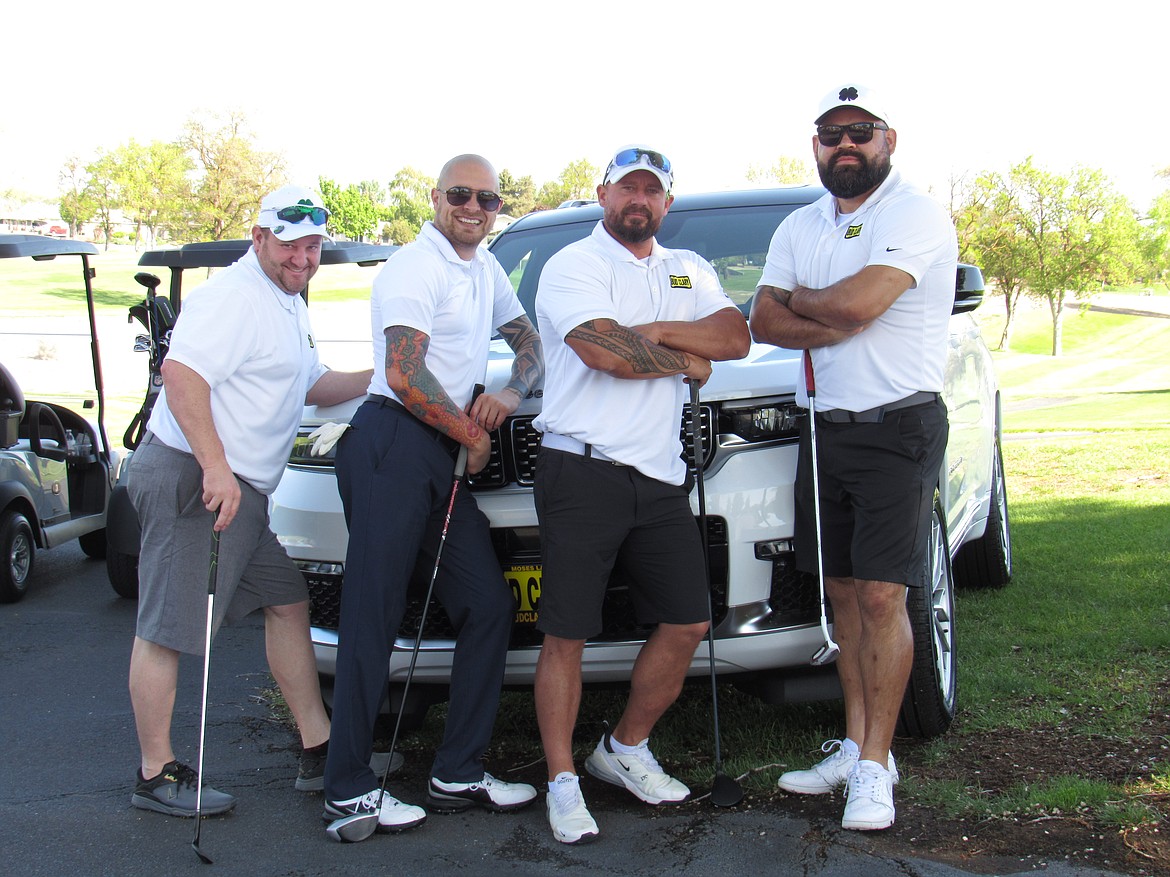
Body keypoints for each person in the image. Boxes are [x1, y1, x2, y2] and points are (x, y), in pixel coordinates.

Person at [748, 84, 959, 831]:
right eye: (831, 133)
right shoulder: (801, 223)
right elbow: (761, 316)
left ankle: (875, 767)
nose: (845, 144)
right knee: (841, 597)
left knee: (880, 596)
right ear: (816, 146)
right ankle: (860, 743)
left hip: (897, 427)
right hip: (822, 428)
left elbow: (857, 308)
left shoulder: (914, 214)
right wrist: (824, 307)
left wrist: (811, 304)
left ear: (888, 139)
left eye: (859, 131)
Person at [127, 185, 376, 818]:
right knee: (169, 627)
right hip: (199, 480)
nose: (303, 257)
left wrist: (388, 380)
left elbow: (314, 383)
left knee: (287, 600)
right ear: (259, 237)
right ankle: (155, 772)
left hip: (241, 490)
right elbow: (182, 376)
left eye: (314, 245)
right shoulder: (233, 297)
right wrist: (215, 468)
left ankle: (319, 746)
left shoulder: (286, 300)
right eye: (290, 243)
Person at [532, 145, 751, 844]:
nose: (639, 200)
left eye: (651, 191)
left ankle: (623, 748)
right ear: (602, 195)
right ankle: (563, 781)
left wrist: (654, 331)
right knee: (567, 632)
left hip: (659, 477)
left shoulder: (688, 268)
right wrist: (685, 360)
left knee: (688, 620)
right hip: (581, 471)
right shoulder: (575, 264)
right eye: (627, 187)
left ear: (667, 203)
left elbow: (736, 337)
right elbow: (601, 351)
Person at [322, 154, 543, 841]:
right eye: (459, 193)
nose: (473, 205)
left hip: (435, 453)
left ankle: (458, 769)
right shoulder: (415, 267)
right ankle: (348, 788)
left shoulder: (484, 270)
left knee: (485, 603)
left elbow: (528, 340)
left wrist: (511, 391)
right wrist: (471, 438)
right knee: (373, 613)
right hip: (393, 443)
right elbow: (403, 371)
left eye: (488, 197)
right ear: (436, 197)